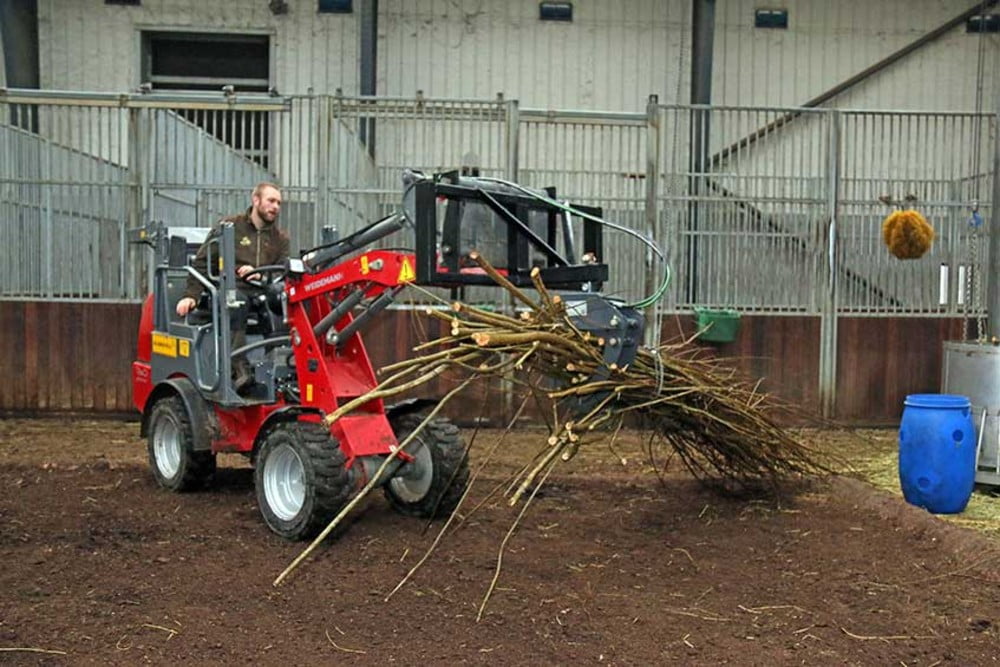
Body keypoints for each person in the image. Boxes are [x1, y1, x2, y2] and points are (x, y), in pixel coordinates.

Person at [176, 182, 290, 391]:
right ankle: (239, 369)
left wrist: (257, 270)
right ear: (256, 200)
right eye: (271, 201)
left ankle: (279, 368)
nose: (276, 207)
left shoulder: (280, 238)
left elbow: (281, 271)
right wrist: (190, 295)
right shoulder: (229, 227)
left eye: (279, 203)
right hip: (230, 288)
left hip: (262, 289)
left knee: (282, 302)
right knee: (235, 301)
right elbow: (202, 262)